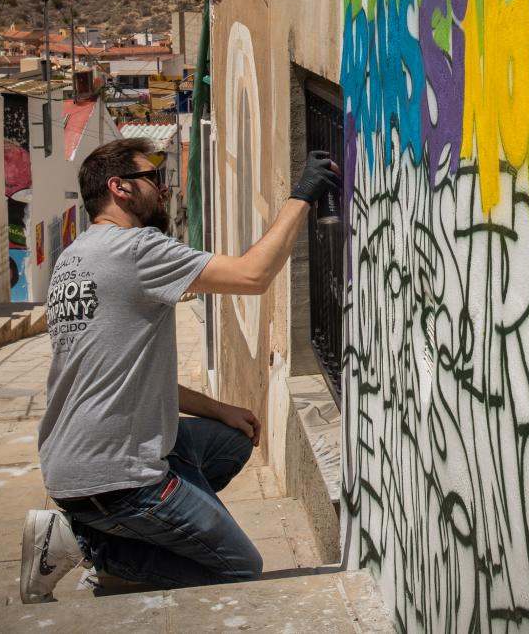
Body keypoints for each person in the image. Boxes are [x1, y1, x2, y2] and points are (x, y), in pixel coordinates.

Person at [18, 136, 340, 602]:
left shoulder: (75, 257)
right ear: (120, 188)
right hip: (115, 480)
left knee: (229, 442)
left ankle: (132, 537)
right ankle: (90, 547)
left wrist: (217, 407)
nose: (163, 188)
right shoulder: (135, 248)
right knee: (239, 568)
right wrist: (302, 194)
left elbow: (123, 368)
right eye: (152, 177)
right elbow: (253, 275)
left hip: (73, 463)